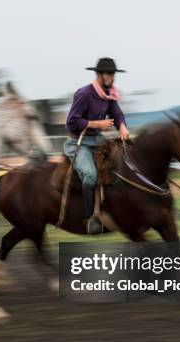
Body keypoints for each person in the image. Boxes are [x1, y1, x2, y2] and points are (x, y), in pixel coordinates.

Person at [64, 57, 130, 235]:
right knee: (91, 176)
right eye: (108, 73)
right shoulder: (84, 93)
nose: (111, 77)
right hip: (78, 143)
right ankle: (89, 219)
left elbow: (117, 114)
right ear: (98, 74)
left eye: (113, 74)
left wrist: (122, 126)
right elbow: (71, 122)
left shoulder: (109, 94)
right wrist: (96, 124)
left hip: (97, 140)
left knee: (123, 161)